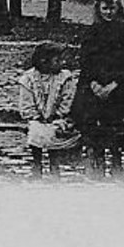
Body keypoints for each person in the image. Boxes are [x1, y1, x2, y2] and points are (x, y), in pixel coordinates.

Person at [71, 0, 124, 178]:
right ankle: (96, 156)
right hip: (95, 86)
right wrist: (94, 84)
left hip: (120, 85)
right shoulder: (91, 33)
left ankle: (118, 159)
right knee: (89, 111)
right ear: (98, 9)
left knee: (122, 112)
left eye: (112, 8)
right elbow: (86, 61)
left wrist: (113, 85)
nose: (109, 13)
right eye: (105, 9)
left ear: (118, 8)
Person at [16, 42, 81, 177]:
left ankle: (54, 168)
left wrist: (58, 115)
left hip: (57, 119)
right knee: (35, 131)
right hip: (37, 119)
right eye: (57, 60)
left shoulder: (65, 77)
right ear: (43, 61)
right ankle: (36, 166)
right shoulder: (28, 79)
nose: (61, 62)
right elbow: (26, 103)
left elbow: (67, 99)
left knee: (55, 134)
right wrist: (36, 117)